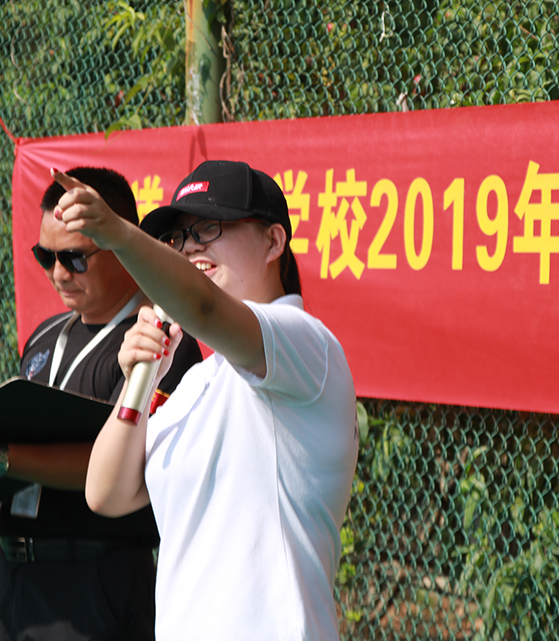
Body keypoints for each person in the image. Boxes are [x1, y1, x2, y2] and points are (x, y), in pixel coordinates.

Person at [54, 160, 359, 641]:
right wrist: (138, 380)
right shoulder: (196, 383)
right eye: (178, 237)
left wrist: (117, 234)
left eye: (210, 227)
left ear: (274, 241)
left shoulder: (305, 343)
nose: (191, 246)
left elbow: (203, 305)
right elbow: (105, 493)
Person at [0, 167, 201, 641]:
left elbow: (122, 468)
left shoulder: (159, 341)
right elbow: (22, 458)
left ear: (122, 243)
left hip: (95, 579)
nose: (58, 273)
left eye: (74, 258)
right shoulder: (44, 336)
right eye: (46, 256)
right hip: (11, 577)